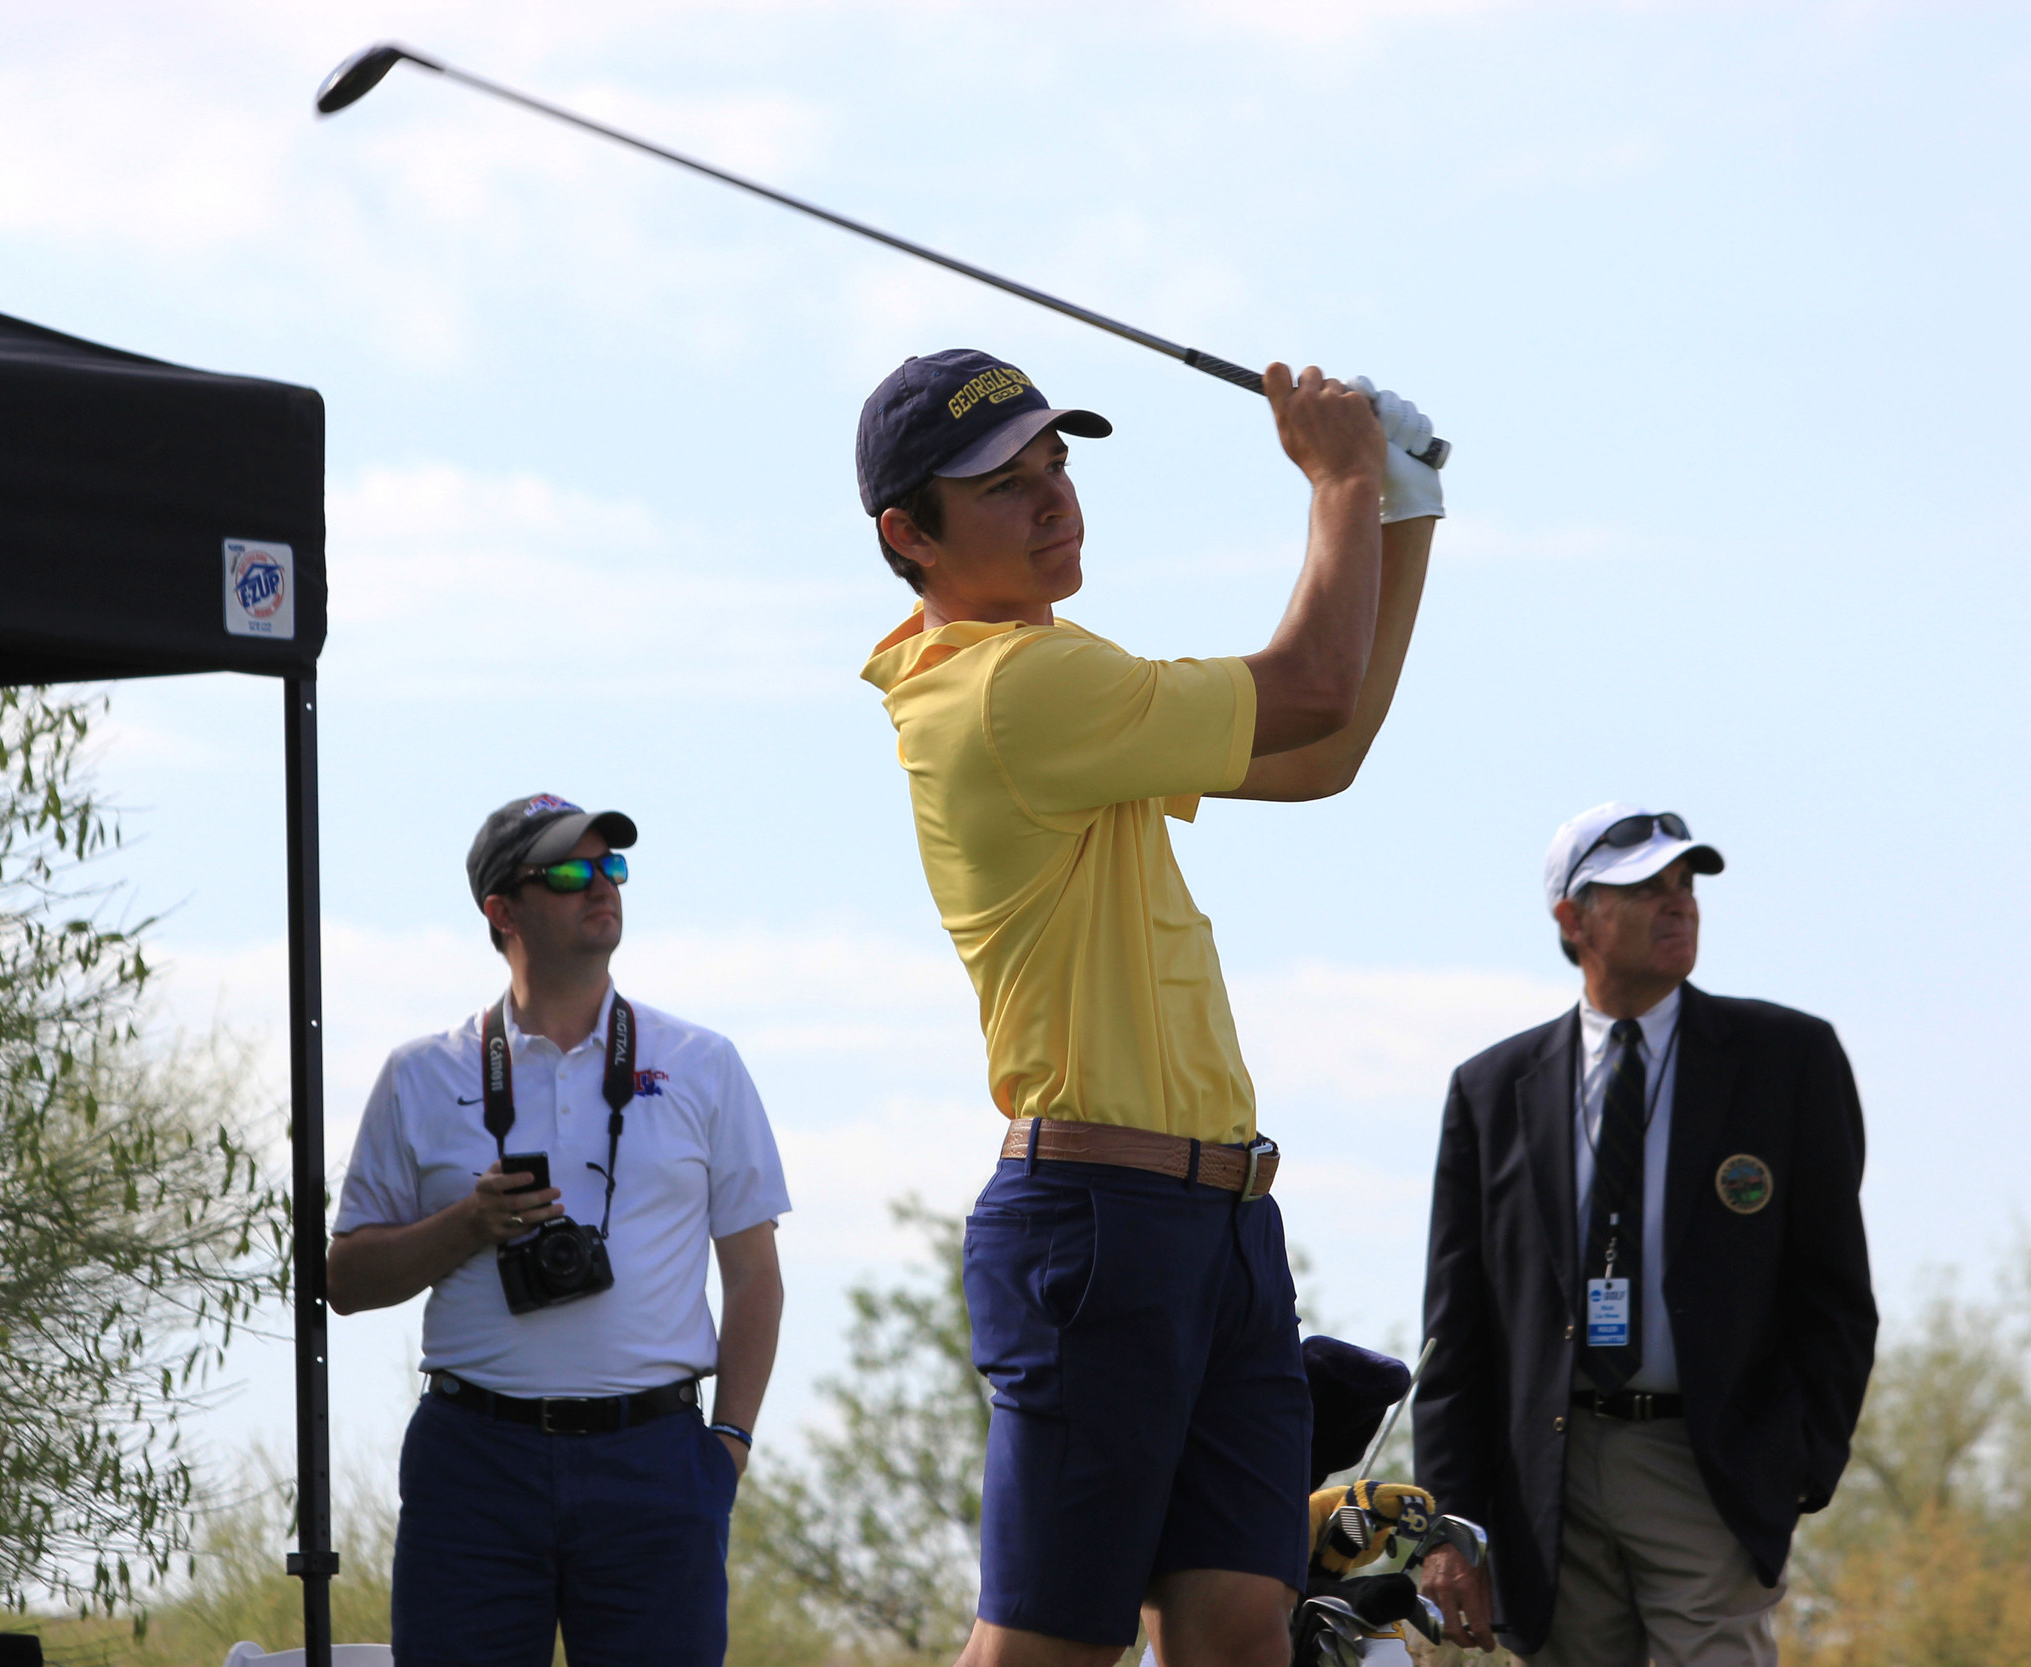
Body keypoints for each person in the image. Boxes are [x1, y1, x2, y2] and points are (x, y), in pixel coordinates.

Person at [855, 348, 1445, 1667]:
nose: (1054, 498)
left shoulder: (1056, 673)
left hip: (1224, 1219)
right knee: (1046, 1647)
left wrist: (1399, 513)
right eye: (1005, 486)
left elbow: (1322, 753)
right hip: (1098, 1227)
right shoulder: (1008, 689)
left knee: (1239, 1629)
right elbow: (1309, 686)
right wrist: (1343, 477)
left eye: (1058, 465)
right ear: (911, 535)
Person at [328, 794, 790, 1667]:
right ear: (502, 910)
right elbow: (347, 1280)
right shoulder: (421, 1073)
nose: (601, 887)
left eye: (611, 867)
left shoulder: (703, 1062)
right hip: (474, 1462)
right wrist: (470, 1222)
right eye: (571, 873)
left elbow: (756, 1274)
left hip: (656, 1459)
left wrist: (726, 1447)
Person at [1411, 803, 1878, 1664]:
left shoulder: (1788, 1059)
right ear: (1573, 918)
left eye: (1685, 883)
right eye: (1644, 888)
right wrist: (1447, 1527)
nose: (1679, 904)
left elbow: (1836, 1293)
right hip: (1544, 1481)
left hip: (1707, 1464)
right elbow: (1455, 1334)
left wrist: (1797, 1464)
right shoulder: (1491, 1089)